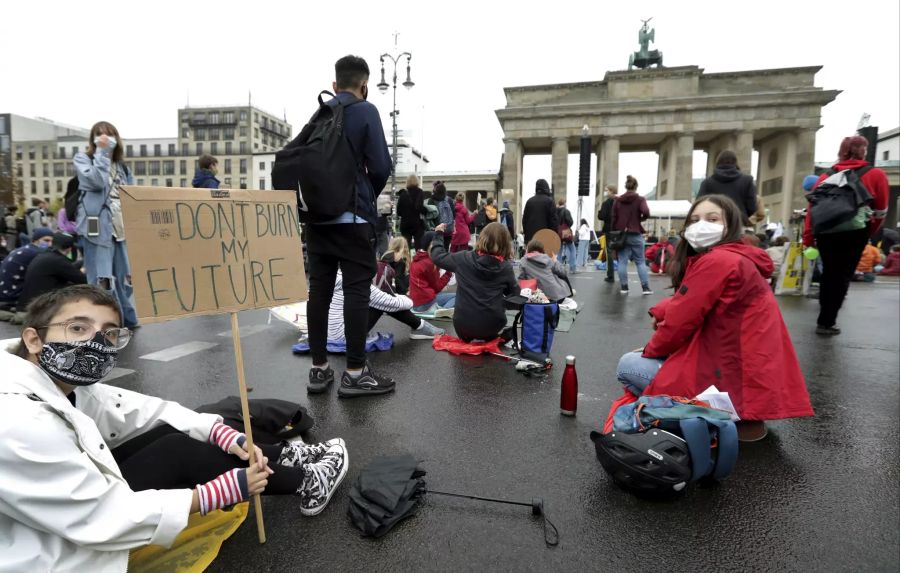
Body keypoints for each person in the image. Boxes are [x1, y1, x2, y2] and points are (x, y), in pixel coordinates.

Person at [0, 285, 349, 572]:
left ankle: (291, 455)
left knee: (179, 433)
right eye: (78, 328)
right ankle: (306, 479)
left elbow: (139, 408)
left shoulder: (47, 379)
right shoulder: (19, 421)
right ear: (34, 339)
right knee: (179, 450)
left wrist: (218, 432)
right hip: (48, 548)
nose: (95, 343)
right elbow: (99, 520)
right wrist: (209, 496)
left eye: (107, 334)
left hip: (64, 512)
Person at [614, 194, 814, 442]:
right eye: (695, 219)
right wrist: (663, 310)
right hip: (749, 374)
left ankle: (706, 419)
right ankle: (739, 420)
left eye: (712, 219)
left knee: (629, 364)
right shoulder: (738, 258)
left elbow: (677, 325)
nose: (701, 225)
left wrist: (649, 350)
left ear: (729, 225)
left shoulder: (717, 261)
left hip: (728, 376)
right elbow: (696, 302)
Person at [305, 55, 394, 397]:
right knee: (357, 291)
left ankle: (319, 370)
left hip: (316, 222)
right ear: (364, 86)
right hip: (353, 220)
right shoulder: (365, 111)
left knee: (320, 293)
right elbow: (382, 165)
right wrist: (365, 194)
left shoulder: (318, 113)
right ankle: (355, 373)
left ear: (334, 85)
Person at [802, 135, 889, 335]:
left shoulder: (826, 176)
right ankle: (828, 321)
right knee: (842, 275)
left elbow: (813, 208)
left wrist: (809, 237)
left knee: (829, 273)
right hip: (856, 231)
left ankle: (824, 318)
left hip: (826, 230)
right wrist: (870, 230)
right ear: (863, 151)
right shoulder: (875, 174)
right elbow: (881, 209)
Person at [73, 121, 139, 328]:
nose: (104, 138)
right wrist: (102, 153)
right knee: (101, 277)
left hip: (120, 227)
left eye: (108, 134)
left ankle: (126, 316)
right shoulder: (83, 159)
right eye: (99, 134)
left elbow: (131, 194)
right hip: (96, 225)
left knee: (125, 276)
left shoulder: (122, 167)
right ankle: (103, 319)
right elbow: (97, 182)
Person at [311, 270, 445, 363]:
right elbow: (394, 303)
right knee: (384, 304)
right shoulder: (356, 280)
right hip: (343, 336)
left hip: (326, 332)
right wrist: (405, 298)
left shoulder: (333, 276)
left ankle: (419, 326)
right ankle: (420, 326)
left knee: (381, 301)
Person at [431, 222, 518, 342]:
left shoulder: (462, 258)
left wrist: (438, 234)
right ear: (506, 245)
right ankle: (494, 337)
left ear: (481, 238)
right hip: (492, 326)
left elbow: (437, 256)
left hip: (463, 326)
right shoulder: (505, 268)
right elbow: (515, 297)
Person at [18, 232, 86, 310]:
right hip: (39, 309)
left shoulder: (45, 255)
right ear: (69, 249)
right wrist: (83, 270)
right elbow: (83, 280)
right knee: (79, 289)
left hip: (26, 305)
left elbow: (67, 268)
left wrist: (80, 262)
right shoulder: (59, 261)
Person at [613, 175, 652, 295]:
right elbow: (646, 212)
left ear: (626, 186)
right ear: (636, 187)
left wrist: (615, 230)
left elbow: (613, 217)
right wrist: (640, 219)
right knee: (640, 261)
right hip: (635, 233)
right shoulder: (640, 199)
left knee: (622, 262)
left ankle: (624, 287)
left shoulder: (618, 200)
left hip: (622, 235)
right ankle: (645, 288)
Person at [697, 150, 758, 224]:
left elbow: (699, 205)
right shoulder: (747, 180)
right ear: (735, 162)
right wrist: (740, 215)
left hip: (715, 225)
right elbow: (752, 207)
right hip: (739, 223)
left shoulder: (707, 183)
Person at [0, 227, 53, 308]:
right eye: (46, 240)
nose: (50, 244)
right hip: (12, 296)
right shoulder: (37, 253)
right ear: (35, 240)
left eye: (52, 241)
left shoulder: (24, 249)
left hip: (4, 292)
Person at [409, 231, 456, 313]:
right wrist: (449, 273)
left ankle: (439, 308)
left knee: (441, 296)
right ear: (431, 244)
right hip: (426, 303)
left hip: (416, 303)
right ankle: (442, 311)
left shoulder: (417, 259)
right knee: (457, 296)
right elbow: (437, 287)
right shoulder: (429, 263)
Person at [522, 179, 558, 244]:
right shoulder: (549, 201)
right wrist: (554, 236)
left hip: (531, 239)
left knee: (532, 254)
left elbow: (524, 220)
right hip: (545, 238)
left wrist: (526, 235)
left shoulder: (529, 201)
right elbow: (553, 222)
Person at [396, 174, 426, 251]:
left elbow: (398, 212)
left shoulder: (403, 194)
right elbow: (419, 207)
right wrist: (426, 211)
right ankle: (418, 262)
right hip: (417, 224)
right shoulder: (420, 192)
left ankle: (406, 262)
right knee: (419, 247)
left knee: (405, 247)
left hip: (405, 224)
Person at [597, 184, 618, 283]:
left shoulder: (606, 203)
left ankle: (610, 276)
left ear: (611, 191)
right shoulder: (619, 202)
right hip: (619, 230)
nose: (605, 192)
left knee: (609, 252)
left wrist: (600, 212)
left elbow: (602, 216)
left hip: (609, 230)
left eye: (606, 190)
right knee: (620, 252)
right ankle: (622, 276)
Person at [429, 181, 455, 250]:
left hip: (437, 229)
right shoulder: (449, 200)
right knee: (446, 249)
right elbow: (454, 214)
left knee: (436, 249)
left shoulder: (431, 200)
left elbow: (430, 216)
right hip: (448, 229)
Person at [556, 198, 576, 273]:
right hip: (566, 232)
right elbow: (570, 221)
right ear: (564, 203)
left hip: (558, 233)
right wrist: (567, 226)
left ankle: (559, 268)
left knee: (559, 250)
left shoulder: (555, 211)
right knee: (572, 249)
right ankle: (572, 268)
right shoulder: (566, 211)